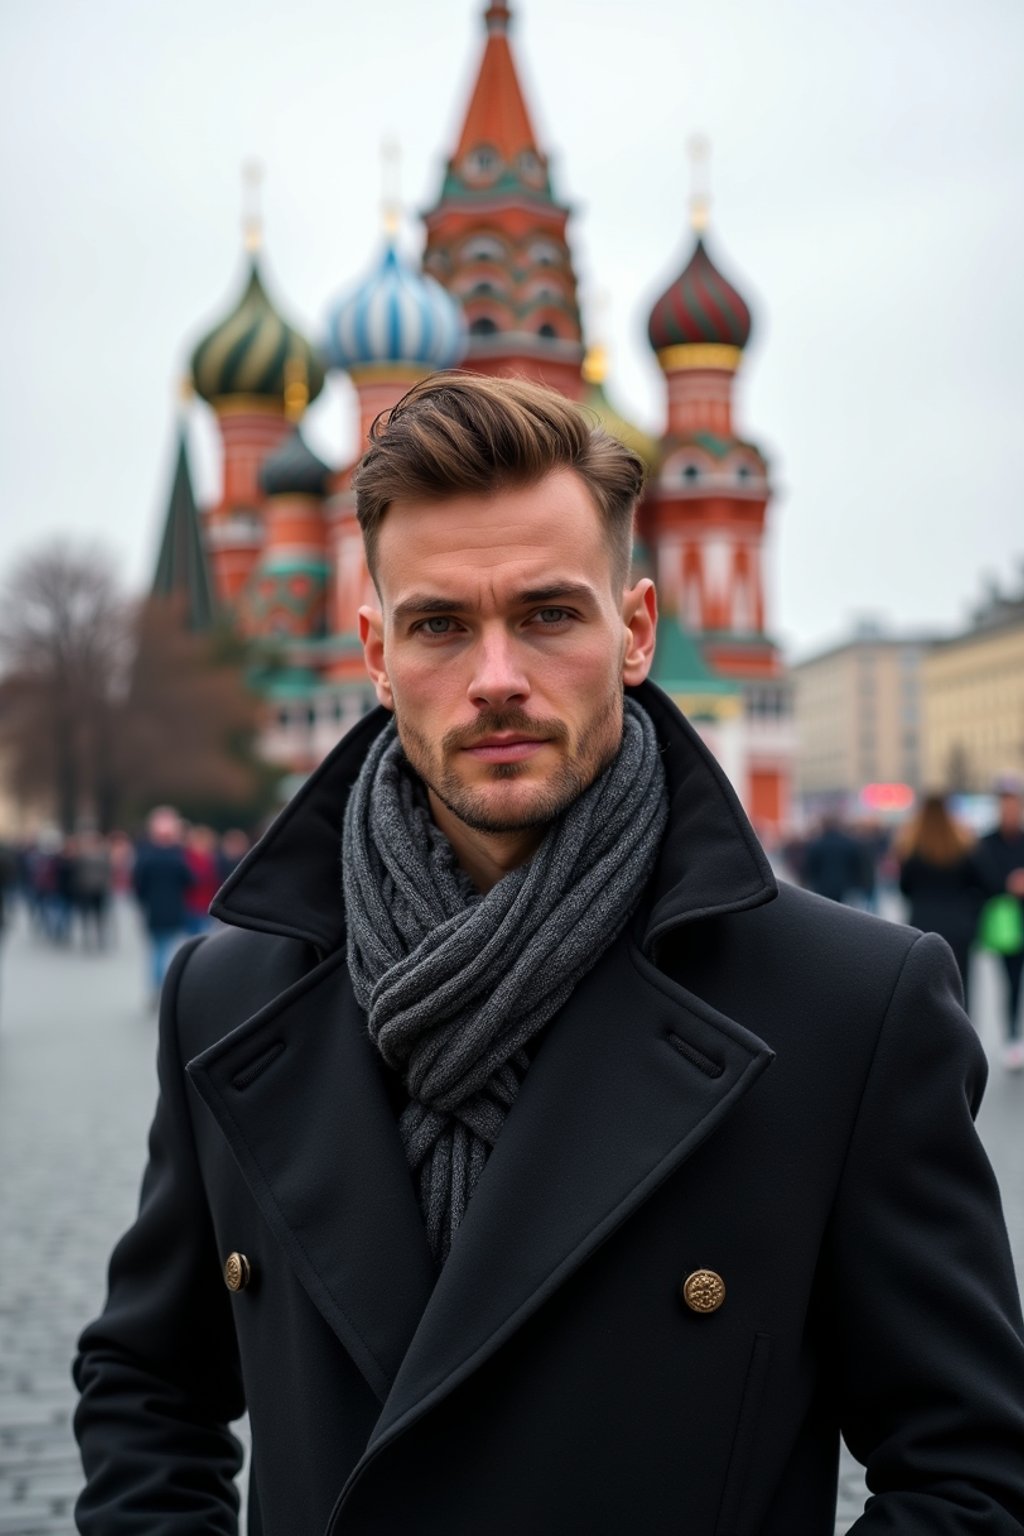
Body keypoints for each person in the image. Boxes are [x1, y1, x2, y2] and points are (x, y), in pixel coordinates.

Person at [74, 376, 1024, 1535]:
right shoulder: (227, 999)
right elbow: (149, 1389)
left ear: (632, 631)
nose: (495, 679)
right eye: (438, 625)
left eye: (547, 614)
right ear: (374, 651)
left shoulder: (847, 1007)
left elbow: (971, 1474)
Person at [895, 792, 985, 1011]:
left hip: (922, 925)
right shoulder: (962, 846)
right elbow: (981, 884)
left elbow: (905, 888)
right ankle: (962, 1037)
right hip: (958, 925)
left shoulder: (912, 848)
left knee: (925, 987)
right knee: (961, 987)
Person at [977, 775, 1024, 1070]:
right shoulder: (986, 842)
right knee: (1011, 980)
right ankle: (1012, 1036)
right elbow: (984, 880)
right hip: (1006, 922)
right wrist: (1009, 883)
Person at [131, 806, 192, 1005]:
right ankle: (167, 988)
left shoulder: (146, 855)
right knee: (167, 949)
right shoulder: (177, 857)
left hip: (153, 909)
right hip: (173, 908)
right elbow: (190, 880)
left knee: (157, 950)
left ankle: (157, 988)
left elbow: (138, 884)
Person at [801, 812, 866, 905]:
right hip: (846, 888)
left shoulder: (817, 844)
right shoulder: (849, 843)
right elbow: (857, 865)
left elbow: (810, 867)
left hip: (822, 887)